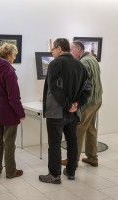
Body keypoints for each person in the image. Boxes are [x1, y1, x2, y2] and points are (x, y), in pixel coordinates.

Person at [39, 38, 91, 184]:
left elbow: (55, 88)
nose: (52, 52)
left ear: (59, 48)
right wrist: (76, 104)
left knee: (54, 144)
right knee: (72, 142)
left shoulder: (55, 64)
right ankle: (70, 171)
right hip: (73, 113)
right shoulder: (80, 65)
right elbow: (87, 89)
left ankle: (54, 175)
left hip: (56, 112)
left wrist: (68, 104)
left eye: (53, 49)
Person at [0, 43, 25, 179]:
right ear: (8, 55)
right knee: (9, 143)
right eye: (14, 55)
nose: (14, 58)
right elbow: (14, 97)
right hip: (9, 113)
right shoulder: (9, 71)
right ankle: (10, 171)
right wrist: (20, 113)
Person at [63, 40, 103, 167]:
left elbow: (81, 84)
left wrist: (74, 101)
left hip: (88, 102)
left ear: (78, 50)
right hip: (96, 100)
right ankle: (92, 158)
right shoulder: (92, 59)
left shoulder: (83, 62)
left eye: (71, 49)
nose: (69, 52)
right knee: (91, 129)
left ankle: (73, 160)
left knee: (78, 130)